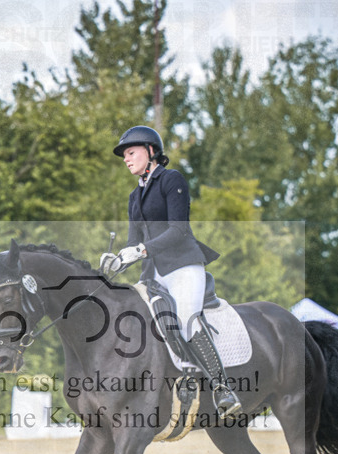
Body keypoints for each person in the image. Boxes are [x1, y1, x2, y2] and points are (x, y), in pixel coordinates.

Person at [101, 125, 240, 417]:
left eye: (131, 152)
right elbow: (133, 243)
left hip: (183, 265)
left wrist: (141, 250)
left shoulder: (171, 180)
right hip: (153, 274)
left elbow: (178, 231)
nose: (126, 159)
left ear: (151, 151)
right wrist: (118, 260)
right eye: (124, 155)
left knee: (186, 319)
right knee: (137, 321)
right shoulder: (134, 197)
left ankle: (222, 388)